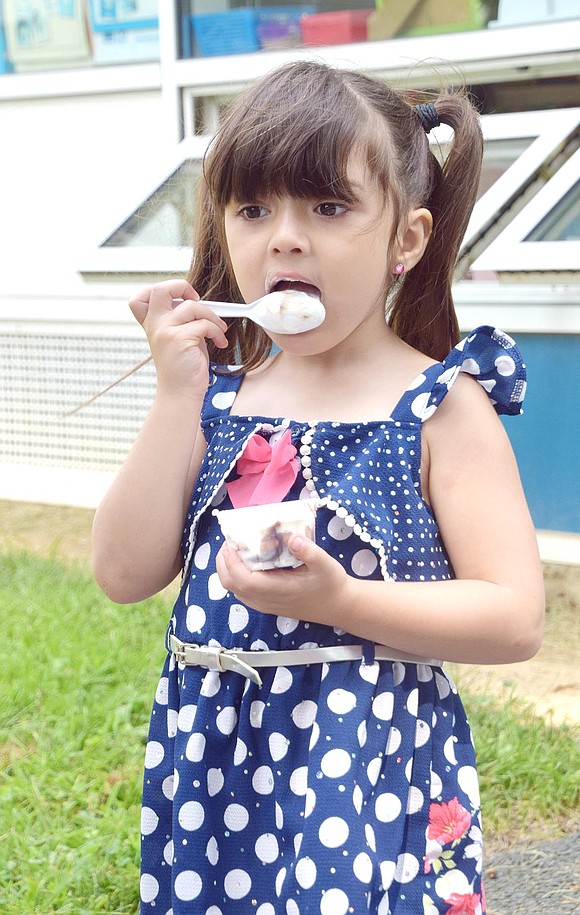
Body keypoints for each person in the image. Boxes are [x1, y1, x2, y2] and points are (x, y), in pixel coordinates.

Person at [92, 60, 544, 915]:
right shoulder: (216, 396)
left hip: (369, 769)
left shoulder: (441, 407)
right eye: (253, 209)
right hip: (216, 768)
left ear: (405, 240)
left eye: (328, 208)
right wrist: (175, 392)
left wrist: (343, 599)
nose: (284, 239)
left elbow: (515, 616)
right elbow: (121, 572)